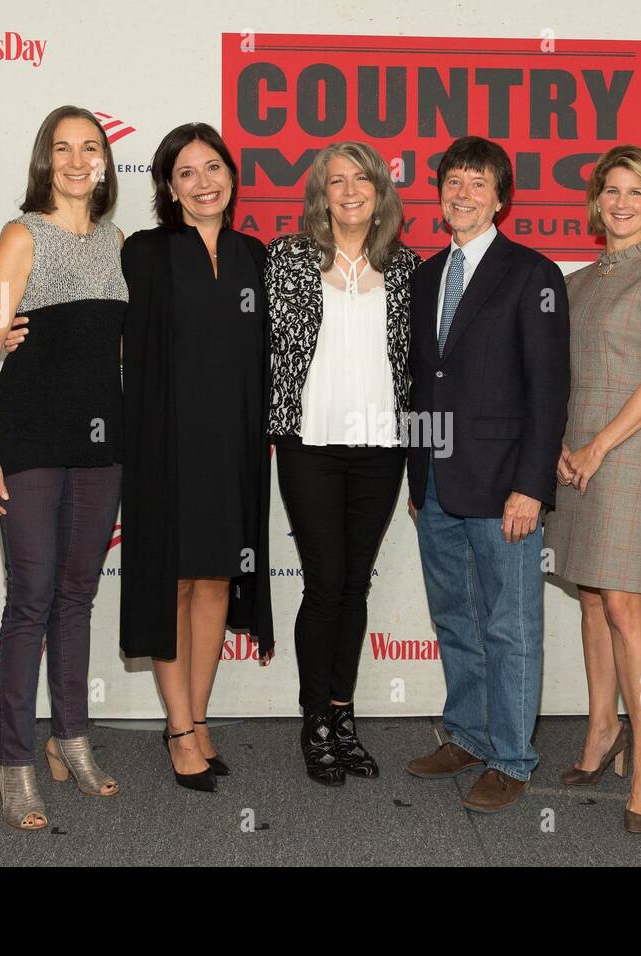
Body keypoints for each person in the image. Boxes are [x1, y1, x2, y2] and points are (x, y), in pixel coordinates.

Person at [6, 122, 275, 794]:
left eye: (213, 167)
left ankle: (198, 717)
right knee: (174, 584)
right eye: (187, 172)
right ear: (168, 186)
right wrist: (21, 334)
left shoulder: (256, 256)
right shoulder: (144, 253)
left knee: (216, 581)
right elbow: (94, 328)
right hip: (160, 444)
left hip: (234, 444)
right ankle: (179, 728)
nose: (204, 182)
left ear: (232, 177)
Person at [0, 105, 126, 831]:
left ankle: (71, 737)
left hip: (100, 442)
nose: (74, 160)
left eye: (88, 148)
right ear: (45, 160)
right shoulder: (20, 235)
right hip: (28, 437)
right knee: (29, 598)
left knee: (77, 592)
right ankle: (15, 762)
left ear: (103, 162)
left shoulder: (118, 240)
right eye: (61, 149)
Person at [403, 136, 570, 813]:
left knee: (510, 626)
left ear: (501, 197)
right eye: (454, 180)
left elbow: (548, 389)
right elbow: (421, 383)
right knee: (455, 619)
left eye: (478, 182)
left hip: (506, 486)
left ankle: (511, 756)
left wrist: (531, 486)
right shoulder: (423, 275)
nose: (463, 192)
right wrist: (418, 478)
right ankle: (468, 735)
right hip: (436, 485)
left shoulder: (533, 274)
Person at [544, 145, 641, 833]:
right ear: (597, 200)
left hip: (628, 453)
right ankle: (601, 730)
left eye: (636, 191)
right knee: (591, 596)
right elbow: (558, 377)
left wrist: (600, 446)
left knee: (625, 606)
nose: (623, 202)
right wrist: (563, 448)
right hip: (576, 454)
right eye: (612, 189)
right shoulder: (574, 283)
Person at [265, 143, 421, 786]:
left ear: (381, 191)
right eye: (337, 180)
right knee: (324, 583)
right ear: (320, 194)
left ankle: (341, 713)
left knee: (355, 584)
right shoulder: (288, 257)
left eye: (363, 178)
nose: (351, 189)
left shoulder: (407, 267)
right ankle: (314, 723)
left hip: (381, 447)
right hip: (310, 443)